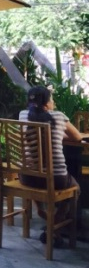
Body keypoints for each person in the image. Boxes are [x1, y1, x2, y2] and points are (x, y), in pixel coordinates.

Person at [19, 85, 83, 247]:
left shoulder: (23, 115)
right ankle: (54, 225)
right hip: (56, 180)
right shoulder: (59, 117)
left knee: (39, 177)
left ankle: (41, 211)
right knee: (76, 188)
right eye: (52, 100)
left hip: (27, 178)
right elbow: (77, 137)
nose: (53, 103)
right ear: (47, 104)